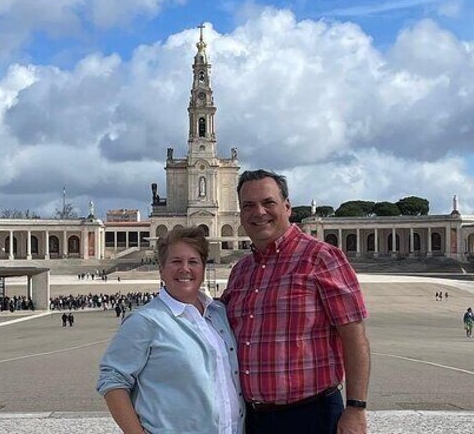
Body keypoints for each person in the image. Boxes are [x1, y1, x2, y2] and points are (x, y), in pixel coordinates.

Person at [221, 169, 370, 434]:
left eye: (268, 203)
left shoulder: (322, 257)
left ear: (287, 207)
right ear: (241, 214)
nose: (259, 212)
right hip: (252, 418)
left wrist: (356, 408)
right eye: (248, 205)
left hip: (313, 415)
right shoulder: (241, 271)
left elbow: (353, 335)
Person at [98, 226, 243, 434]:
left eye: (193, 262)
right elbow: (112, 380)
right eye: (176, 261)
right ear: (161, 269)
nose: (185, 269)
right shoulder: (145, 321)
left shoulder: (219, 314)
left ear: (203, 267)